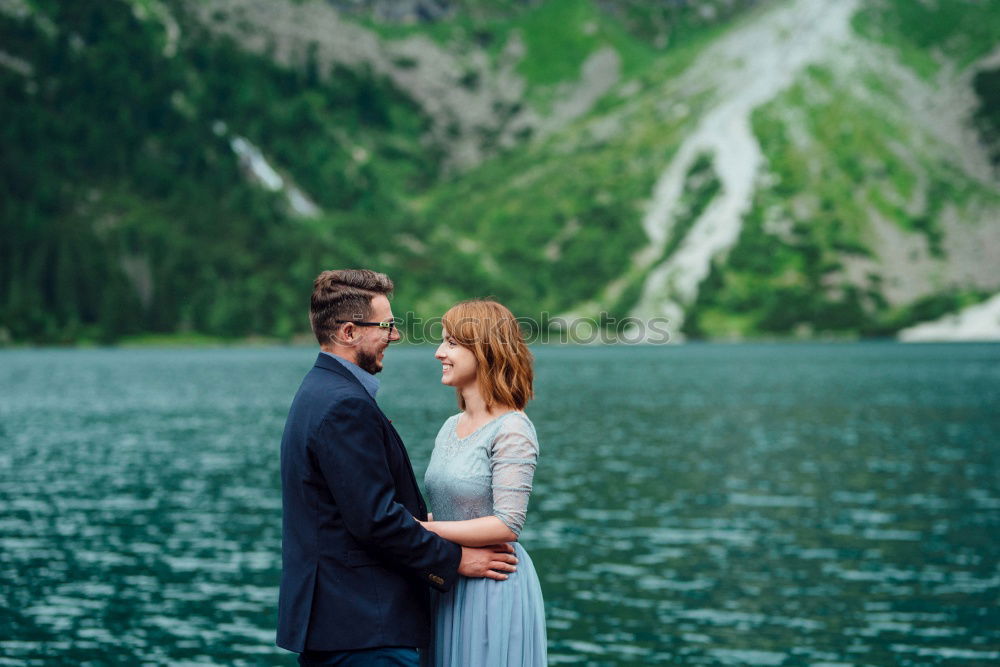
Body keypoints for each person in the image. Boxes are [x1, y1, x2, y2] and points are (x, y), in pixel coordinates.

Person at [276, 270, 519, 666]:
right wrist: (456, 559)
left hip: (341, 624)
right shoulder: (344, 405)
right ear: (349, 332)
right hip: (364, 628)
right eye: (386, 325)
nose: (395, 335)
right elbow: (376, 520)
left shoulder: (318, 391)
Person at [420, 299, 547, 666]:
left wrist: (420, 530)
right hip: (448, 579)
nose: (439, 352)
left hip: (492, 584)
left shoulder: (513, 428)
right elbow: (451, 507)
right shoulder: (449, 426)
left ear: (485, 350)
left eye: (452, 343)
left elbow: (508, 524)